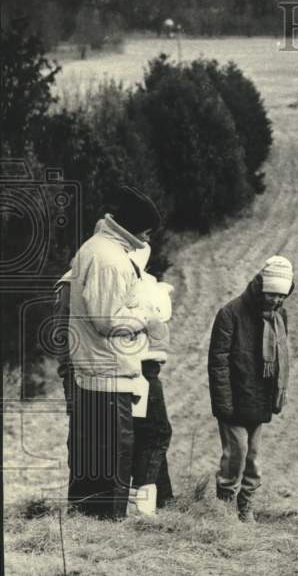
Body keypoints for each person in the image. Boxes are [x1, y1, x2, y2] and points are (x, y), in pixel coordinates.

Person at [65, 185, 163, 519]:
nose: (148, 237)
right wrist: (146, 316)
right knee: (114, 456)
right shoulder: (110, 259)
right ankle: (108, 525)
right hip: (108, 373)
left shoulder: (98, 248)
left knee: (93, 456)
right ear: (134, 227)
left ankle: (87, 521)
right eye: (147, 230)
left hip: (95, 371)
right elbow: (107, 320)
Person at [208, 256, 294, 522]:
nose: (276, 301)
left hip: (259, 399)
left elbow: (278, 360)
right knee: (237, 455)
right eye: (271, 295)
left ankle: (246, 508)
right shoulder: (230, 313)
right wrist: (224, 404)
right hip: (233, 399)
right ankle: (225, 508)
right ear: (260, 287)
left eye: (281, 296)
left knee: (253, 459)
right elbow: (218, 363)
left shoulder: (279, 317)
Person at [127, 242, 175, 515]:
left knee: (146, 431)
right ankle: (144, 503)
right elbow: (157, 318)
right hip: (144, 365)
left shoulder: (120, 281)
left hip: (132, 363)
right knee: (156, 432)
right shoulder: (141, 286)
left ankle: (165, 499)